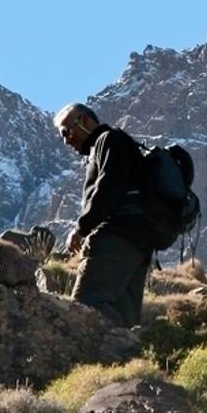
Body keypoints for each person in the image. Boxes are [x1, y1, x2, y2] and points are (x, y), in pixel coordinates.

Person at [54, 103, 152, 326]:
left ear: (85, 121)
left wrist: (81, 228)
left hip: (115, 237)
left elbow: (108, 188)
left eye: (66, 131)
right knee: (125, 317)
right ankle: (126, 356)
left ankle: (95, 354)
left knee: (85, 306)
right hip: (139, 243)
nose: (66, 140)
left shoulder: (108, 140)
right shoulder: (118, 143)